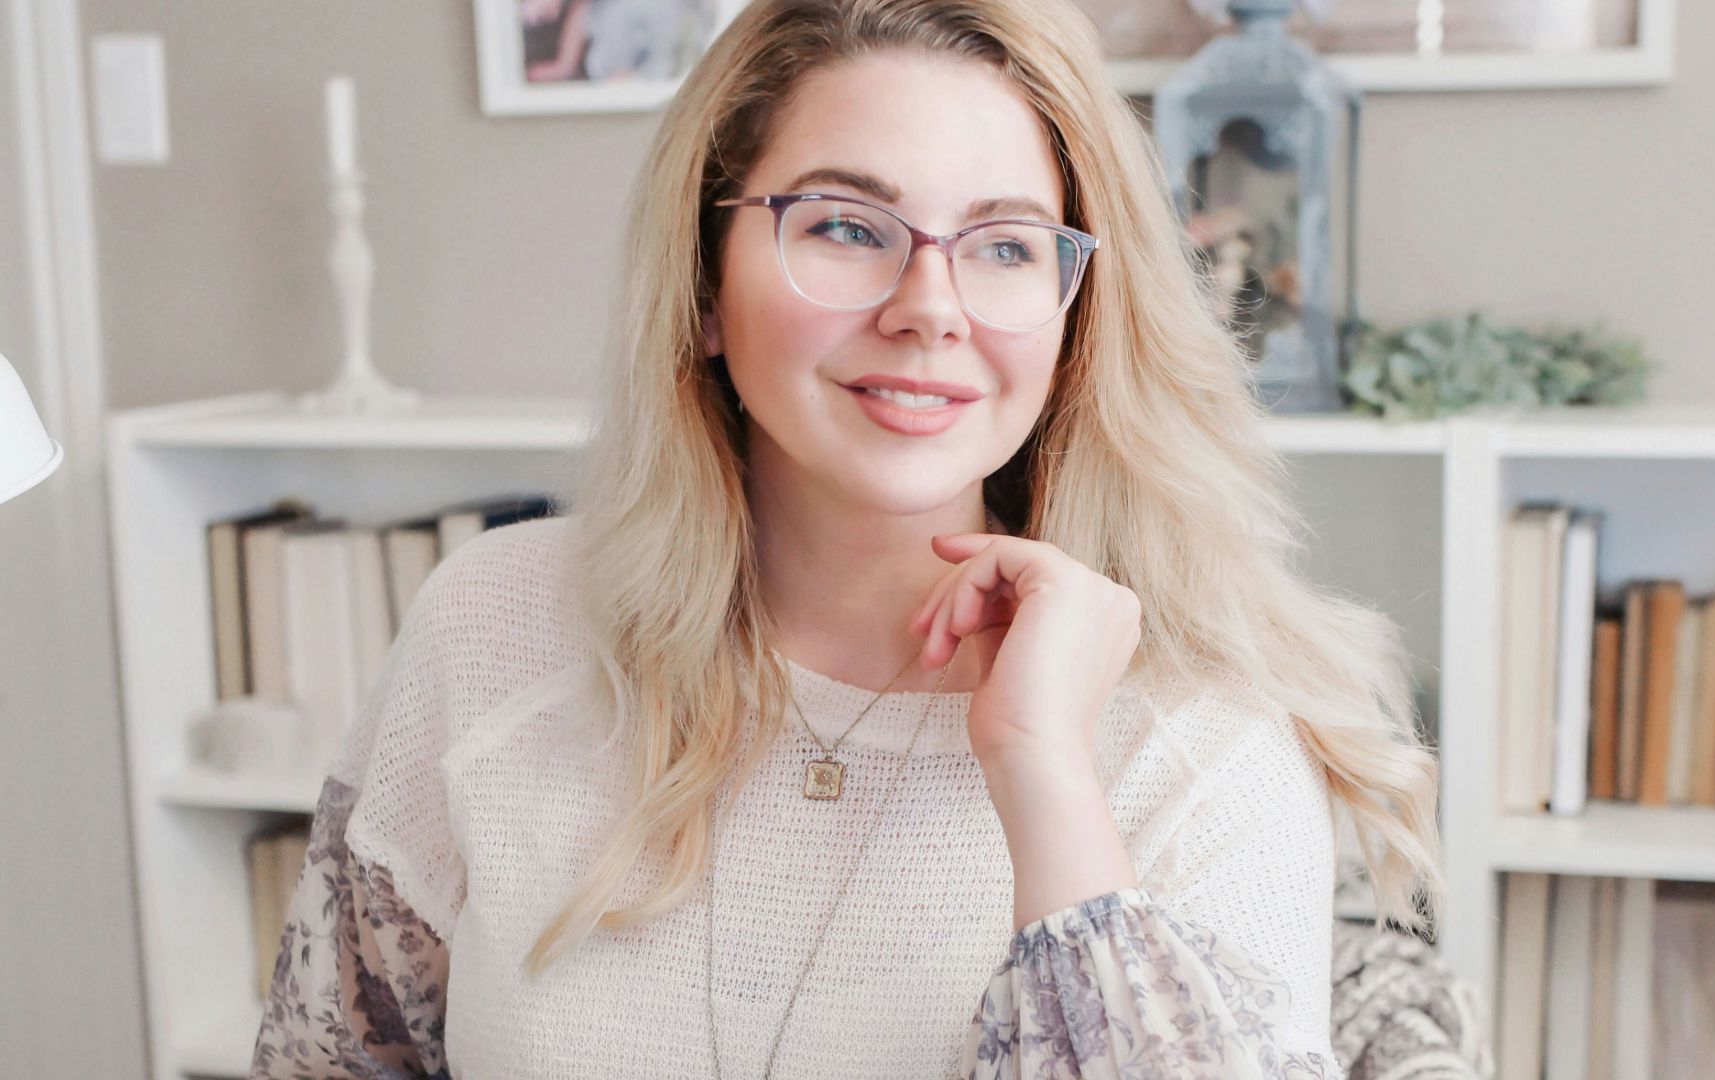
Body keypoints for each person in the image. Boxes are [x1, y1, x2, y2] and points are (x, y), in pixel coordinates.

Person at [249, 0, 1443, 1076]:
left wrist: (1043, 772)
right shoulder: (489, 628)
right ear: (704, 287)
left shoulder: (1206, 747)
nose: (930, 309)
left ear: (1075, 322)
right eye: (845, 226)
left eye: (1007, 245)